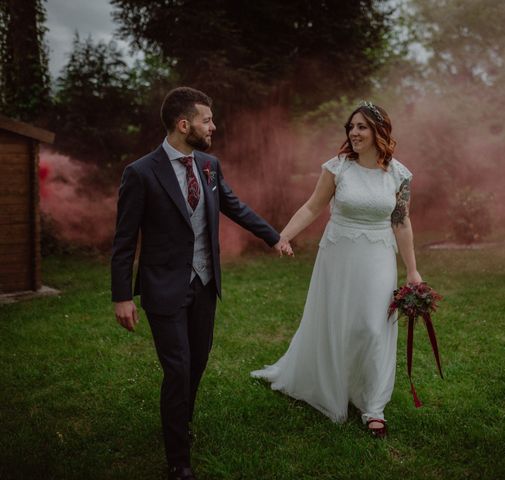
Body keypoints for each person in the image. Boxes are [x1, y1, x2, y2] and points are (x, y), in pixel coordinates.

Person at [111, 86, 292, 480]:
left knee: (197, 363)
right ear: (183, 124)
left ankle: (181, 419)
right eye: (206, 120)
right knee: (177, 369)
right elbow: (124, 241)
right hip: (164, 288)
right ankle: (178, 459)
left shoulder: (209, 165)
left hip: (205, 284)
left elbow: (235, 206)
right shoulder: (141, 173)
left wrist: (273, 236)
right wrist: (122, 295)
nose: (213, 126)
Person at [251, 101, 422, 438]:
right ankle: (334, 386)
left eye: (361, 127)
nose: (354, 133)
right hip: (338, 255)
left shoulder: (400, 175)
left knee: (373, 327)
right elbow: (313, 206)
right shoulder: (338, 168)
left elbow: (401, 222)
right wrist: (283, 235)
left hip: (378, 257)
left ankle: (373, 405)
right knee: (339, 323)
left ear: (378, 131)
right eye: (351, 127)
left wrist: (412, 271)